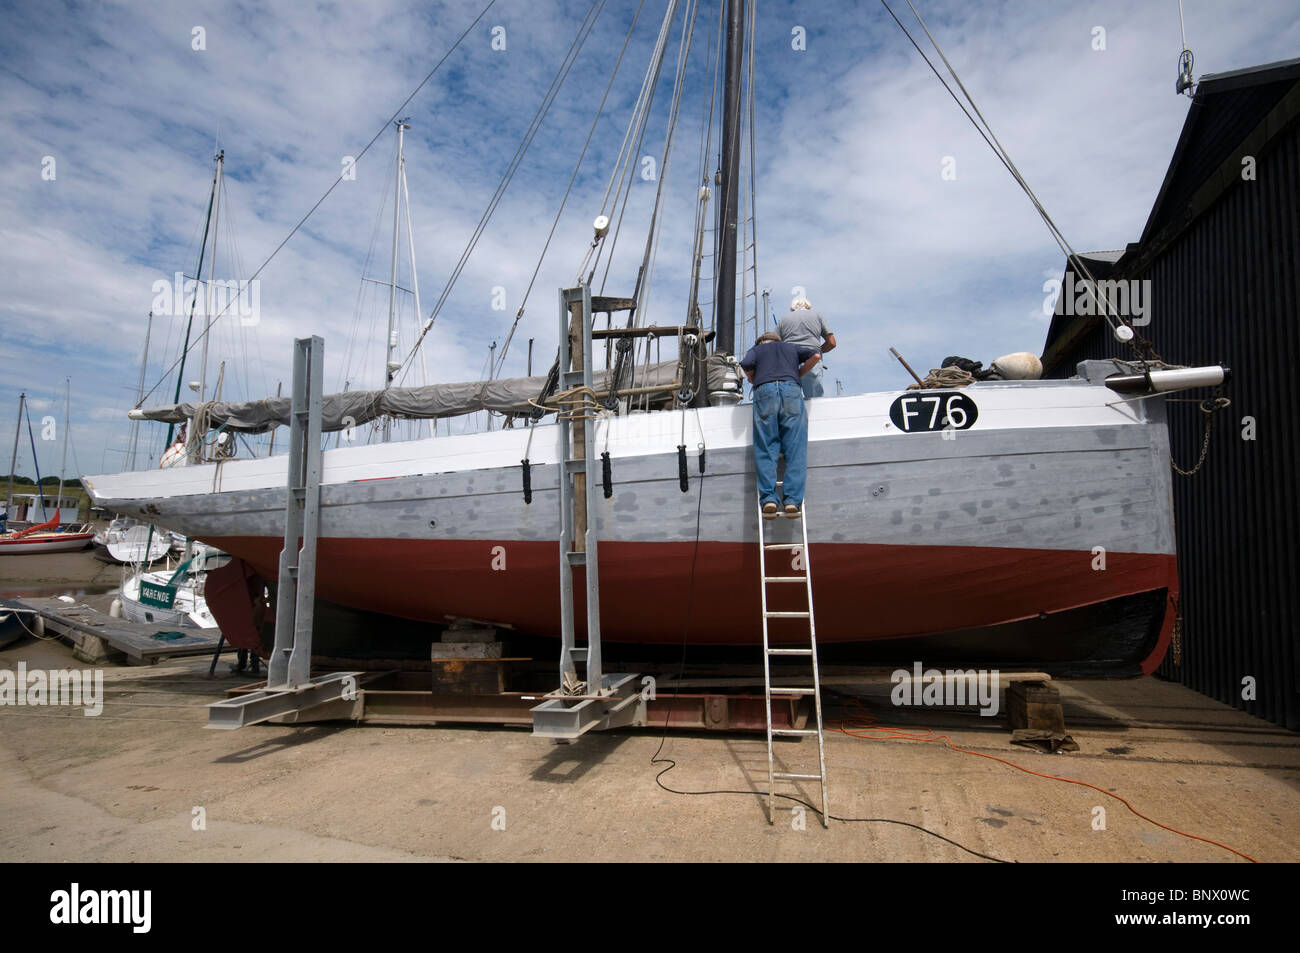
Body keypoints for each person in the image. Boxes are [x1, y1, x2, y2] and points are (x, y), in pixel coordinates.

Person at [739, 331, 821, 519]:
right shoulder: (790, 348)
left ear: (761, 342)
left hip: (765, 391)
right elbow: (816, 355)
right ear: (778, 341)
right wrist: (798, 373)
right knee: (795, 447)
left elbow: (746, 364)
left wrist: (753, 378)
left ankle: (769, 499)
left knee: (766, 446)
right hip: (791, 389)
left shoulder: (757, 350)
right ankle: (792, 501)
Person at [777, 296, 837, 398]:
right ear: (808, 307)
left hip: (789, 362)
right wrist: (817, 352)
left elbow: (774, 344)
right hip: (812, 360)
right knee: (815, 402)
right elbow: (832, 343)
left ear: (792, 308)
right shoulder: (817, 316)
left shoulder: (783, 320)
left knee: (791, 401)